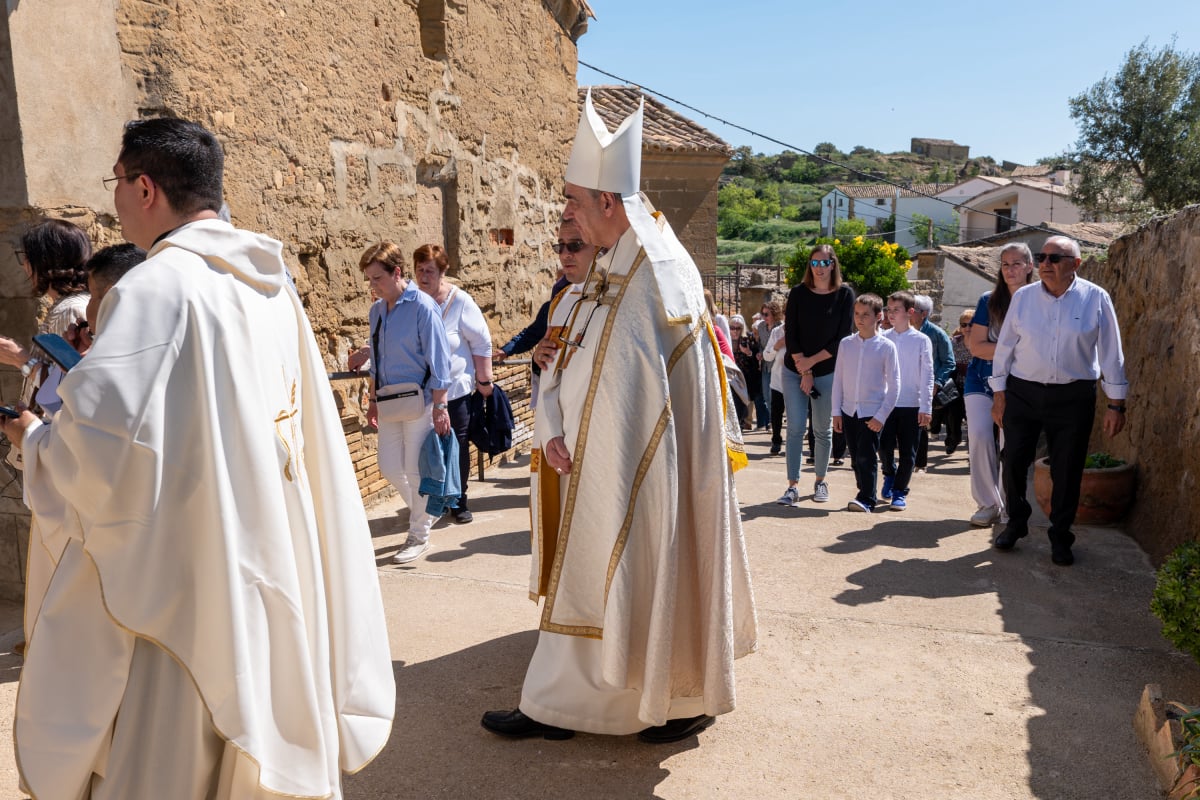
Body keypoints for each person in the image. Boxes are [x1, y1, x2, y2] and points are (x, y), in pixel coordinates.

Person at [1, 117, 394, 799]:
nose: (115, 199)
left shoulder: (155, 289)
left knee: (171, 757)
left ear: (145, 186)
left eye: (116, 183)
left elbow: (99, 455)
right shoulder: (268, 284)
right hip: (267, 551)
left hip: (179, 581)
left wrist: (33, 442)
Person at [482, 90, 756, 745]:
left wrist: (587, 441)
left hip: (635, 464)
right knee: (598, 576)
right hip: (591, 455)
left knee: (634, 568)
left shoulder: (654, 275)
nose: (568, 216)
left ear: (609, 202)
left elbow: (637, 382)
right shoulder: (631, 258)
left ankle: (662, 698)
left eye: (574, 201)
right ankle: (562, 704)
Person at [989, 235, 1128, 566]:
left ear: (1075, 264)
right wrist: (999, 393)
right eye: (1042, 257)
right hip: (1022, 392)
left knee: (1067, 469)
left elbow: (1112, 353)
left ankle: (1061, 537)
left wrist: (1116, 403)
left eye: (1054, 258)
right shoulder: (1023, 298)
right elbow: (1005, 347)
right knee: (1012, 462)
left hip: (1073, 395)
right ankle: (1016, 522)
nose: (1045, 264)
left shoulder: (1096, 298)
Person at [361, 241, 454, 562]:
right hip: (388, 402)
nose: (372, 286)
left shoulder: (422, 307)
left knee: (415, 472)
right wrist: (372, 399)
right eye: (369, 279)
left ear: (396, 272)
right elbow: (376, 359)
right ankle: (427, 510)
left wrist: (441, 406)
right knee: (389, 467)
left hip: (421, 402)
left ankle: (419, 534)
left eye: (377, 278)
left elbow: (439, 359)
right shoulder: (376, 312)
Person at [413, 243, 495, 524]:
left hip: (455, 390)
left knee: (455, 445)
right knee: (423, 446)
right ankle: (431, 500)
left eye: (430, 271)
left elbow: (482, 342)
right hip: (420, 391)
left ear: (443, 271)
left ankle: (459, 501)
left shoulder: (460, 302)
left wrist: (484, 380)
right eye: (420, 270)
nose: (424, 276)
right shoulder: (411, 301)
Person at [776, 244, 854, 507]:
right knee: (796, 428)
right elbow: (791, 333)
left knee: (822, 430)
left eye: (824, 263)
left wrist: (812, 364)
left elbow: (841, 338)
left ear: (833, 264)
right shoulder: (798, 293)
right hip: (794, 369)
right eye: (814, 263)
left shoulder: (845, 295)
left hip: (826, 371)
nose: (819, 268)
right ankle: (792, 486)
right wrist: (804, 368)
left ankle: (821, 481)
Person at [964, 244, 1034, 527]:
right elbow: (976, 347)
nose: (1010, 269)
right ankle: (988, 503)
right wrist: (1016, 349)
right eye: (1005, 264)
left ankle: (1010, 506)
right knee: (980, 436)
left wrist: (1002, 349)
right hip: (981, 379)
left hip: (1019, 384)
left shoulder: (1040, 301)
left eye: (1016, 263)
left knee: (1012, 445)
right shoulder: (988, 300)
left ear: (1030, 266)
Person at [495, 221, 598, 411]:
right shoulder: (556, 304)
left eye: (575, 246)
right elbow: (533, 333)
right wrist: (532, 357)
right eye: (560, 247)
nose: (565, 255)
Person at [0, 219, 92, 414]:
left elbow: (72, 383)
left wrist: (20, 359)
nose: (24, 265)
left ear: (43, 261)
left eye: (26, 256)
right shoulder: (68, 305)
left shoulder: (70, 309)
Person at [832, 294, 899, 513]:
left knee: (866, 456)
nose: (860, 319)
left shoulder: (887, 347)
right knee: (854, 458)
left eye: (866, 315)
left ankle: (867, 499)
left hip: (872, 412)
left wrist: (881, 416)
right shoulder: (846, 344)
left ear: (879, 316)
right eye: (857, 314)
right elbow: (838, 380)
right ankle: (864, 491)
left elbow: (894, 385)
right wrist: (836, 412)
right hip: (849, 410)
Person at [880, 291, 933, 511]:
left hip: (912, 404)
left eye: (896, 310)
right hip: (886, 404)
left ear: (910, 312)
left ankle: (900, 492)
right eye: (889, 310)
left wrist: (926, 405)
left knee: (908, 452)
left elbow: (927, 374)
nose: (891, 314)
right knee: (883, 447)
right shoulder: (883, 337)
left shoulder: (922, 340)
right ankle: (889, 475)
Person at [911, 294, 953, 471]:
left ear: (924, 313)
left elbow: (949, 362)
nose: (909, 313)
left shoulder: (937, 334)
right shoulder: (903, 332)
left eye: (914, 310)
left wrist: (936, 382)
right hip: (906, 385)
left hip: (926, 387)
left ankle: (920, 464)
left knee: (920, 425)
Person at [941, 308, 973, 455]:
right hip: (956, 385)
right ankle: (953, 440)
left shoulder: (981, 342)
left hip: (974, 386)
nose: (967, 328)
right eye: (964, 324)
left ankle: (973, 444)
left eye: (971, 324)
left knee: (971, 417)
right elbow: (947, 361)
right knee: (952, 415)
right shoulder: (954, 342)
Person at [729, 314, 762, 432]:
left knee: (744, 399)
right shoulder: (726, 339)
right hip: (731, 374)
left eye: (738, 328)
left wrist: (748, 352)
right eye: (732, 327)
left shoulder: (748, 339)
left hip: (745, 374)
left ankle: (743, 422)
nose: (735, 331)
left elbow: (755, 357)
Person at [762, 317, 787, 455]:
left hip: (797, 380)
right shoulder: (777, 331)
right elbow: (767, 356)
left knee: (796, 415)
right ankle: (776, 440)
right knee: (776, 413)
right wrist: (776, 346)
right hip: (778, 380)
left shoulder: (803, 328)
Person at [755, 300, 781, 430]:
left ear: (775, 314)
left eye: (767, 314)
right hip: (765, 365)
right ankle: (773, 419)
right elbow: (761, 345)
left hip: (778, 365)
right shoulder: (760, 327)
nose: (764, 317)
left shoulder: (780, 328)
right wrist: (759, 353)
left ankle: (774, 421)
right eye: (763, 314)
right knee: (766, 395)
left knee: (774, 395)